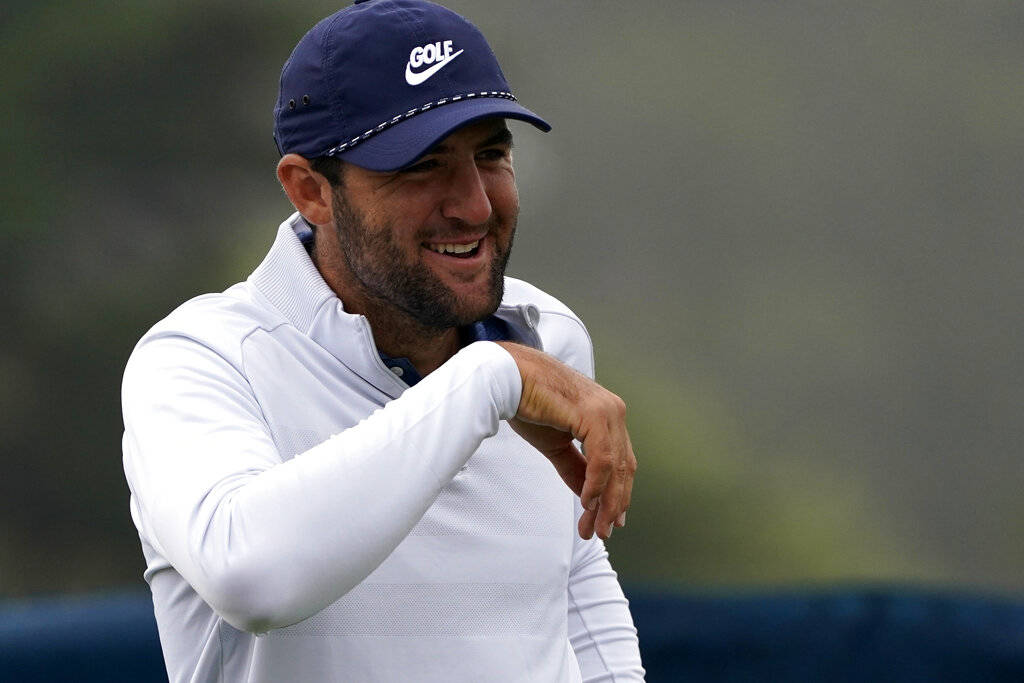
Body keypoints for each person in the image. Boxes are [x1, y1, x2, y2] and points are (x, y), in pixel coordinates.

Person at [121, 1, 643, 680]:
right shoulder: (199, 359)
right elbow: (251, 579)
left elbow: (569, 584)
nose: (475, 204)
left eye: (491, 154)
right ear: (310, 190)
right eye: (422, 165)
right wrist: (490, 378)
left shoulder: (548, 339)